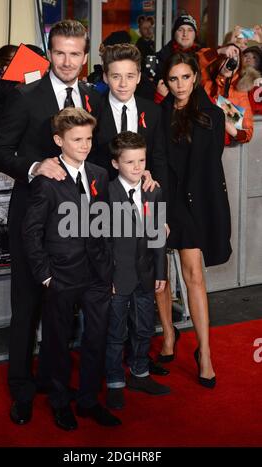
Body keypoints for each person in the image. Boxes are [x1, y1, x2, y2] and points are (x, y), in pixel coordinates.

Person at [0, 19, 102, 426]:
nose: (67, 61)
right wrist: (35, 166)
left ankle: (56, 384)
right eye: (60, 52)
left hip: (76, 227)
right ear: (48, 52)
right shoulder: (26, 95)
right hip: (32, 221)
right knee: (28, 307)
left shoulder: (92, 96)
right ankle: (21, 389)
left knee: (62, 312)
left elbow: (98, 156)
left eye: (75, 53)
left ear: (85, 57)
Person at [22, 107, 121, 430]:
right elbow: (31, 231)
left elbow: (106, 223)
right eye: (76, 139)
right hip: (61, 274)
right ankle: (60, 401)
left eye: (89, 138)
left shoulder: (100, 174)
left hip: (97, 273)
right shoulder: (48, 181)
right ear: (58, 140)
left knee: (97, 338)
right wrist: (45, 274)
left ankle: (89, 400)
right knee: (58, 340)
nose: (84, 145)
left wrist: (110, 268)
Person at [152, 52, 232, 388]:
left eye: (186, 77)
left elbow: (210, 166)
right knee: (159, 274)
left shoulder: (211, 114)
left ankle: (206, 354)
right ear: (165, 82)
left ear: (195, 78)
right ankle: (169, 334)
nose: (180, 85)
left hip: (193, 204)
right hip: (163, 200)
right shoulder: (157, 115)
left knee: (193, 275)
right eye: (174, 79)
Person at [105, 131, 170, 410]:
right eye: (129, 161)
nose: (137, 167)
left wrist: (161, 272)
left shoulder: (153, 191)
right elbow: (102, 244)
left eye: (141, 160)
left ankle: (140, 373)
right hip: (118, 279)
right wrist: (107, 277)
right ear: (115, 163)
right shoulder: (106, 193)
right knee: (116, 333)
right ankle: (115, 382)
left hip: (145, 275)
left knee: (144, 328)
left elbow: (158, 236)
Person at [92, 43, 168, 195]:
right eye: (116, 76)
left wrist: (160, 199)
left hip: (143, 197)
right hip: (102, 199)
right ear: (106, 77)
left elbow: (159, 159)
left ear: (139, 77)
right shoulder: (93, 111)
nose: (123, 84)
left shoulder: (153, 112)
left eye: (130, 76)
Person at [198, 44, 254, 145]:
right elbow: (192, 64)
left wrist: (233, 130)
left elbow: (248, 132)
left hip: (220, 144)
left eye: (234, 61)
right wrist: (218, 51)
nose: (230, 64)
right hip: (198, 139)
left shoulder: (239, 90)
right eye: (227, 59)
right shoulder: (205, 78)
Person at [155, 14, 201, 103]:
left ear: (195, 34)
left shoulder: (203, 56)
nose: (185, 34)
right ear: (174, 33)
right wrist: (160, 96)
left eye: (190, 30)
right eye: (180, 30)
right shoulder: (161, 57)